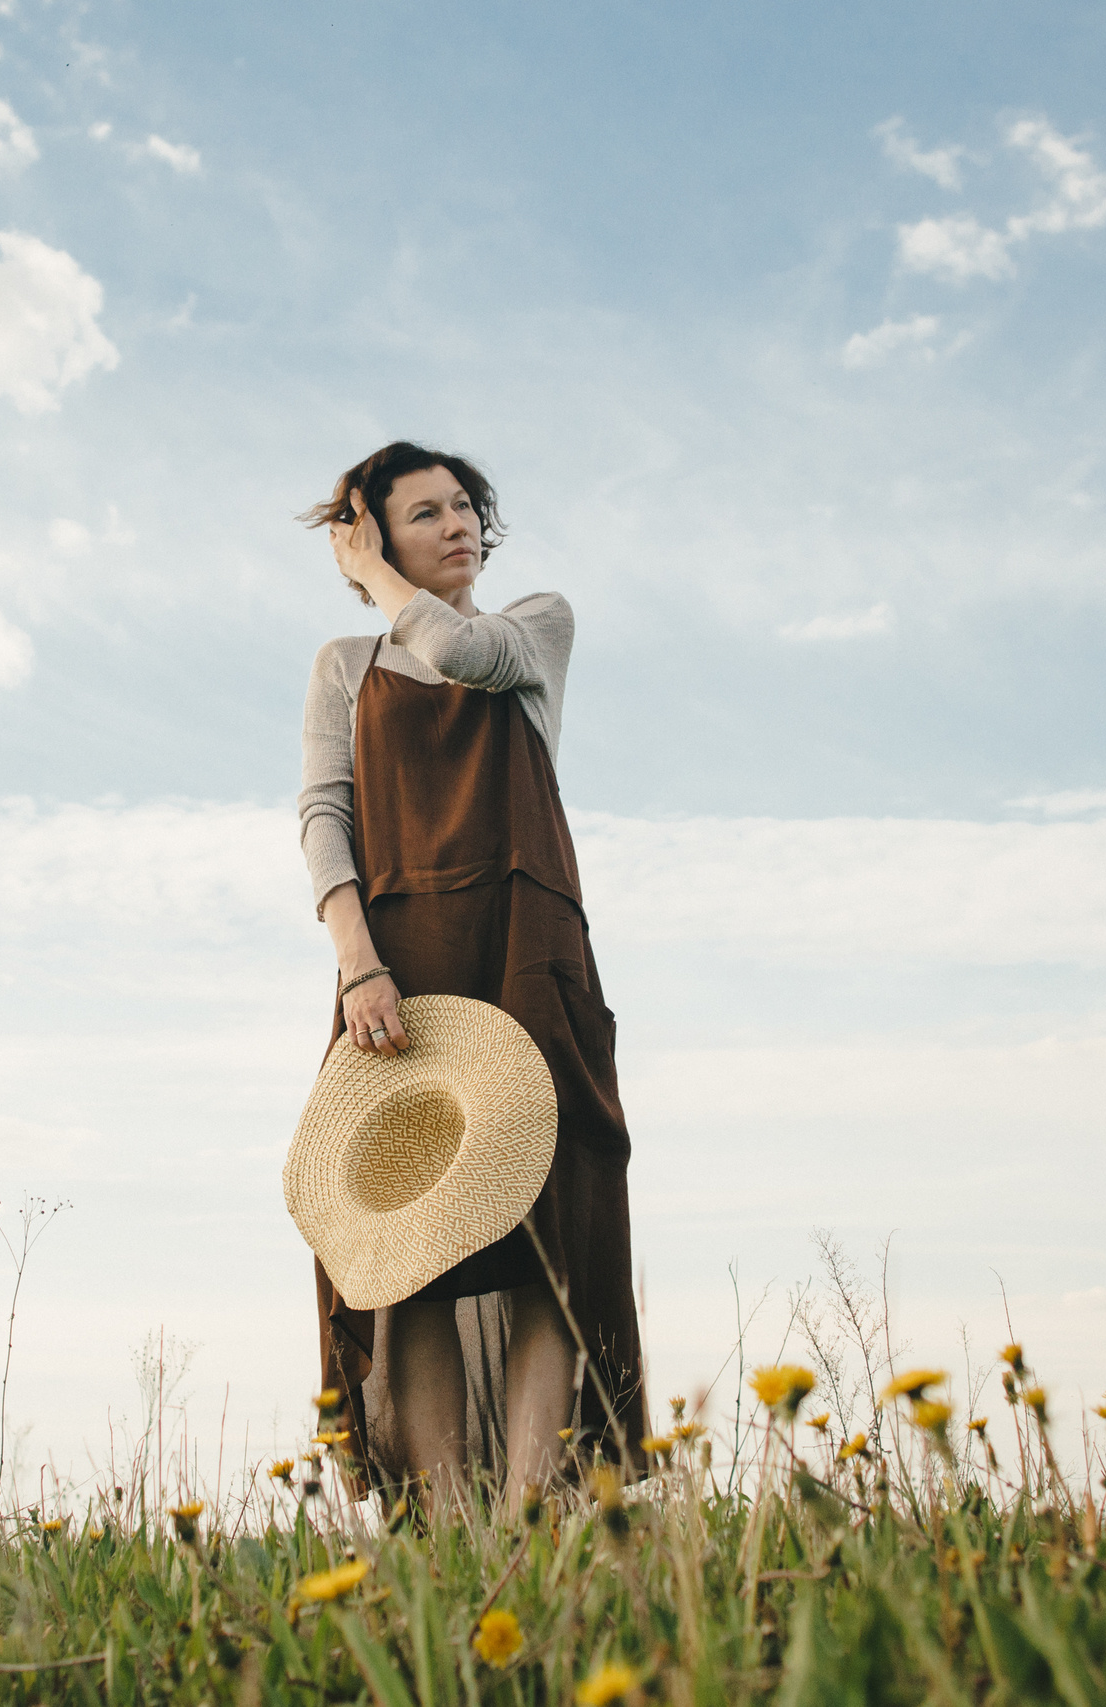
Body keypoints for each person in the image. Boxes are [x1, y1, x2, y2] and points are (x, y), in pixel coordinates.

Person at [296, 440, 649, 1515]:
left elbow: (460, 657)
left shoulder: (531, 626)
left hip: (527, 951)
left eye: (464, 509)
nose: (457, 527)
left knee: (551, 1236)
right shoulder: (342, 668)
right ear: (378, 534)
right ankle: (447, 1528)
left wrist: (380, 579)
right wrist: (358, 966)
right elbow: (325, 821)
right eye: (423, 514)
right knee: (404, 1252)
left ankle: (529, 1518)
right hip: (399, 966)